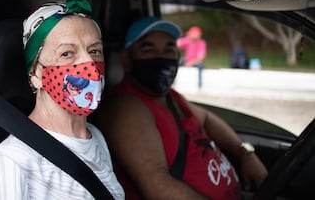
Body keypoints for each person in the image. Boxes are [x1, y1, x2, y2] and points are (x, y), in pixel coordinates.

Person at [94, 17, 268, 199]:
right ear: (126, 59)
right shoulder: (125, 107)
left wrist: (245, 153)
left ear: (177, 56)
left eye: (169, 48)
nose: (160, 56)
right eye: (148, 48)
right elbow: (158, 187)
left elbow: (207, 118)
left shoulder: (171, 97)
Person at [0, 0, 125, 199]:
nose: (89, 62)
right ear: (36, 74)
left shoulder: (95, 137)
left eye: (95, 51)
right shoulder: (13, 159)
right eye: (67, 54)